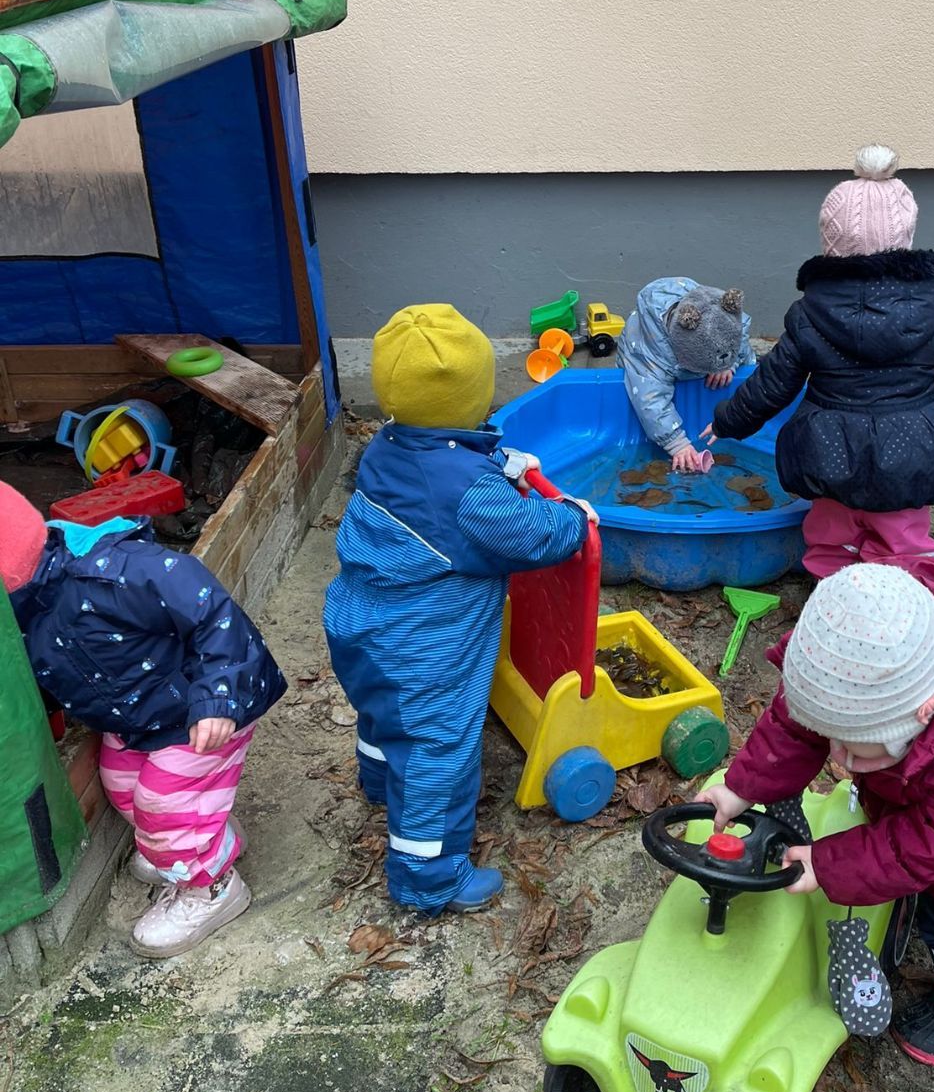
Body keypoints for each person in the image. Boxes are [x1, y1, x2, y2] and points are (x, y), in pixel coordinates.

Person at [700, 556, 934, 1065]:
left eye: (856, 749)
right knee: (891, 833)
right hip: (925, 795)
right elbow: (797, 724)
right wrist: (741, 787)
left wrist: (829, 864)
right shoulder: (853, 653)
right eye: (832, 739)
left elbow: (930, 844)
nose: (838, 759)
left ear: (927, 712)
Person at [323, 304, 593, 914]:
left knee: (381, 715)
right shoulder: (470, 498)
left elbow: (446, 465)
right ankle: (428, 877)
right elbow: (530, 535)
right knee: (438, 753)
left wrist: (501, 462)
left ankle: (377, 784)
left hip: (359, 623)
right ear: (474, 394)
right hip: (423, 648)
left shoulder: (387, 446)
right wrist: (573, 517)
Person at [0, 479, 282, 958]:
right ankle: (196, 841)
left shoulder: (111, 573)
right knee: (120, 785)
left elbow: (213, 611)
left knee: (161, 802)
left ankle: (211, 888)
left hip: (200, 710)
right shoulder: (23, 610)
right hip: (138, 720)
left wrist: (217, 696)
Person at [704, 146, 934, 560]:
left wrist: (728, 420)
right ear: (905, 237)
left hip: (830, 451)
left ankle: (833, 595)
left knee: (830, 531)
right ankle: (907, 587)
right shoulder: (933, 305)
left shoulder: (810, 311)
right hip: (913, 447)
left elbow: (773, 383)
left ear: (831, 239)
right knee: (904, 532)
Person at [617, 279, 755, 473]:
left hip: (703, 348)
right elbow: (649, 400)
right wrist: (676, 443)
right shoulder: (649, 356)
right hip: (643, 356)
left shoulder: (720, 313)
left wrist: (729, 364)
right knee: (639, 388)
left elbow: (738, 338)